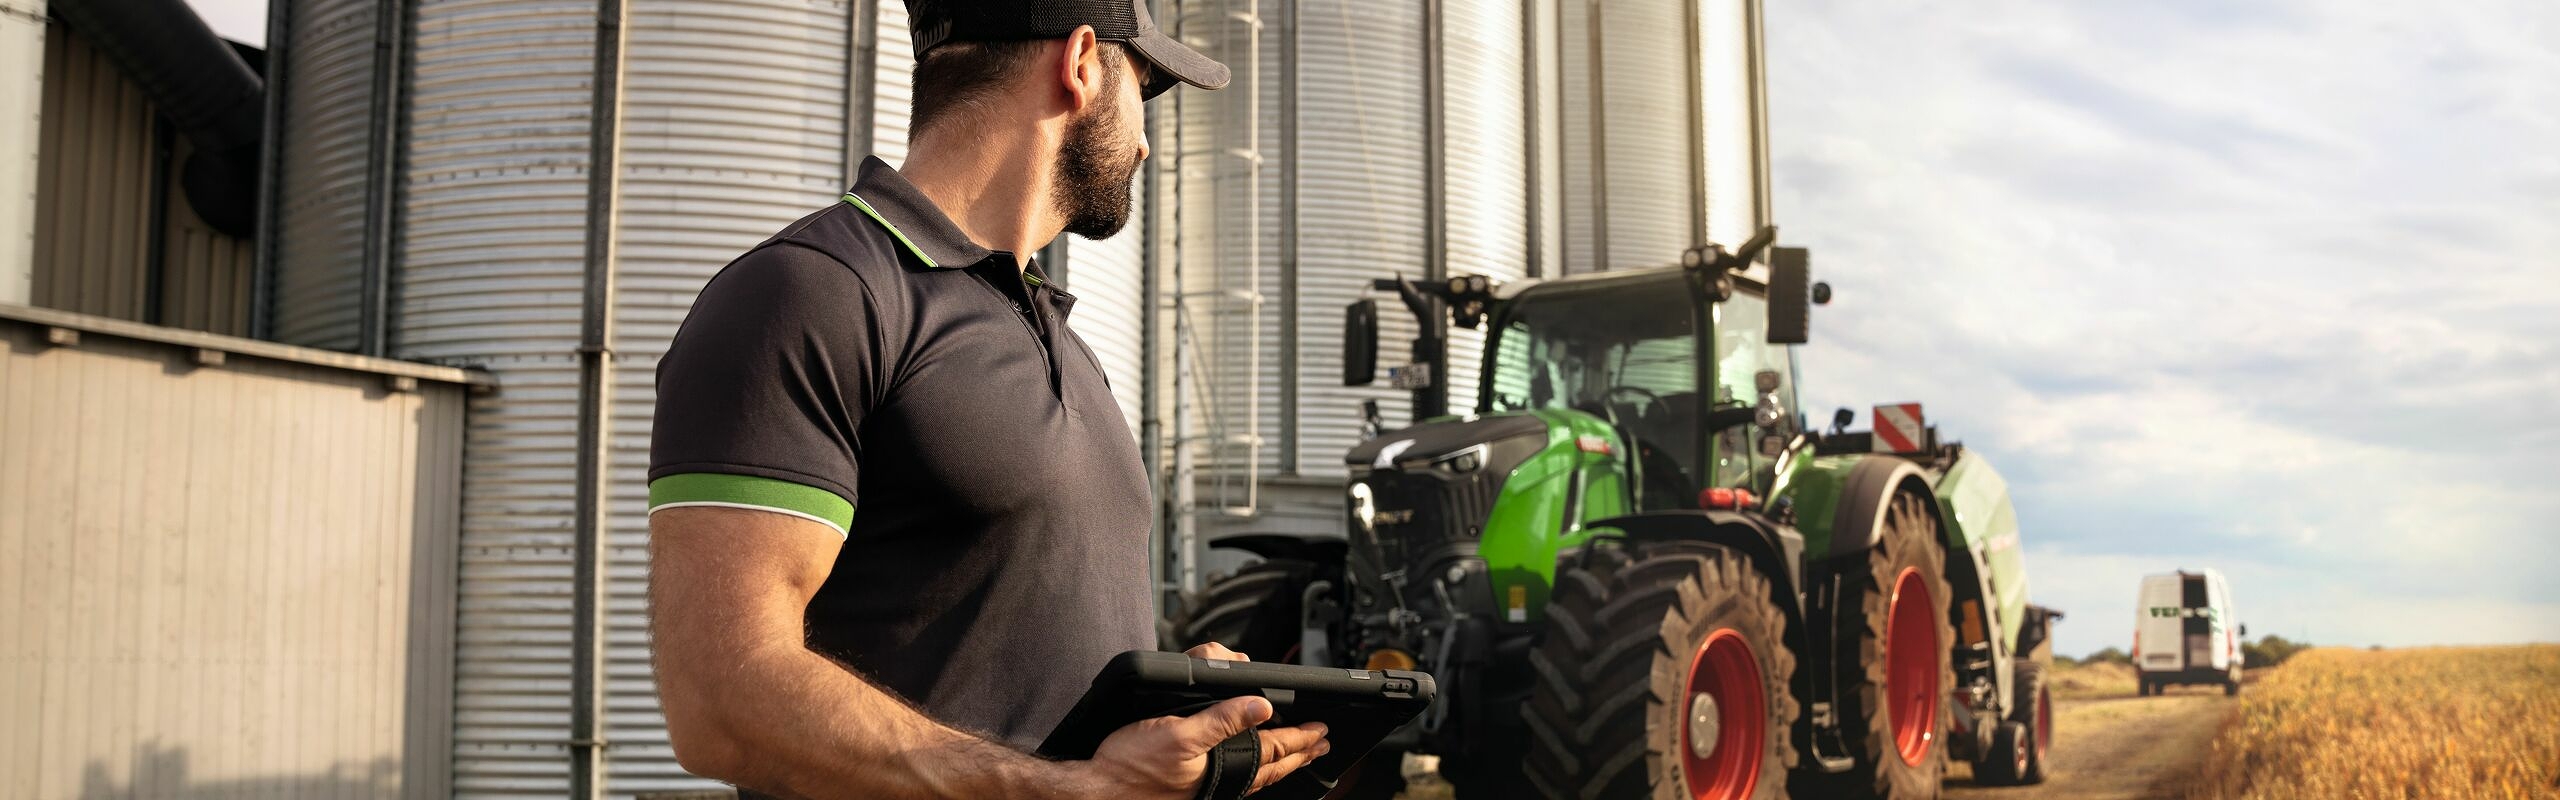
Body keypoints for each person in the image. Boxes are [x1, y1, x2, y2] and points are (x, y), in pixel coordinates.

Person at [644, 1, 1328, 797]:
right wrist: (1077, 792)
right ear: (1080, 64)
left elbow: (1013, 684)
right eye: (1142, 87)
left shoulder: (1071, 348)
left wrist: (1159, 703)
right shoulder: (812, 295)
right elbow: (721, 700)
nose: (1144, 141)